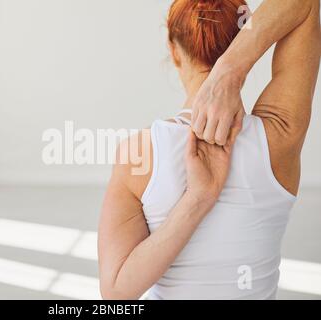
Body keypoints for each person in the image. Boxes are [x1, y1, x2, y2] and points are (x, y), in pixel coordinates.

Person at [98, 0, 320, 299]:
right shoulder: (278, 137)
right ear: (244, 37)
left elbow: (116, 292)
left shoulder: (138, 153)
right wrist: (233, 67)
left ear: (173, 49)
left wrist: (196, 202)